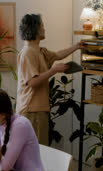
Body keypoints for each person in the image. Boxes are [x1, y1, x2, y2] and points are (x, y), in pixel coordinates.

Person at [16, 14, 83, 145]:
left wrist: (76, 46)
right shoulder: (28, 52)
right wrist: (54, 70)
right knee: (37, 152)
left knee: (40, 151)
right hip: (31, 111)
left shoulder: (39, 51)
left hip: (37, 110)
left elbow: (57, 55)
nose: (44, 29)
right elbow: (32, 82)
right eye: (42, 26)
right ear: (35, 28)